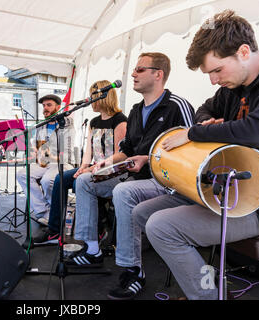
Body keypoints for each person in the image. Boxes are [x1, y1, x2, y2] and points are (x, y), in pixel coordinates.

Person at [112, 10, 259, 300]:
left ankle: (206, 296)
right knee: (140, 212)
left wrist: (194, 133)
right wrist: (209, 124)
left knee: (162, 227)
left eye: (217, 70)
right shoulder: (234, 85)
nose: (214, 80)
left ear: (243, 52)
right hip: (227, 189)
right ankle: (209, 287)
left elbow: (258, 130)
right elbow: (204, 109)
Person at [65, 52, 195, 269]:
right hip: (134, 176)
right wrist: (105, 163)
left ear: (158, 75)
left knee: (123, 192)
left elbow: (192, 150)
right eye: (134, 69)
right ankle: (92, 249)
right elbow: (126, 150)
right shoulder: (135, 111)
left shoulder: (177, 106)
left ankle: (131, 268)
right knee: (84, 181)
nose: (133, 73)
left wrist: (148, 158)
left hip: (166, 181)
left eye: (140, 69)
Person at [32, 80, 128, 244]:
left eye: (93, 97)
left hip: (113, 169)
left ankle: (99, 226)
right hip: (94, 168)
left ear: (102, 97)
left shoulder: (120, 120)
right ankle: (54, 230)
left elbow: (122, 155)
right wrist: (83, 167)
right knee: (60, 178)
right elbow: (88, 150)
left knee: (79, 184)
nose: (90, 101)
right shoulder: (94, 122)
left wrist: (93, 168)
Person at [17, 94, 76, 224]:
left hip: (62, 162)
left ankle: (55, 213)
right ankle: (44, 211)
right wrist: (35, 151)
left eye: (49, 105)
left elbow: (65, 153)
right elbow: (40, 148)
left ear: (58, 107)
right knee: (22, 174)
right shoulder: (41, 126)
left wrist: (47, 154)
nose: (45, 108)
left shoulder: (66, 125)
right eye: (43, 105)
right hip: (45, 162)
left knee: (47, 180)